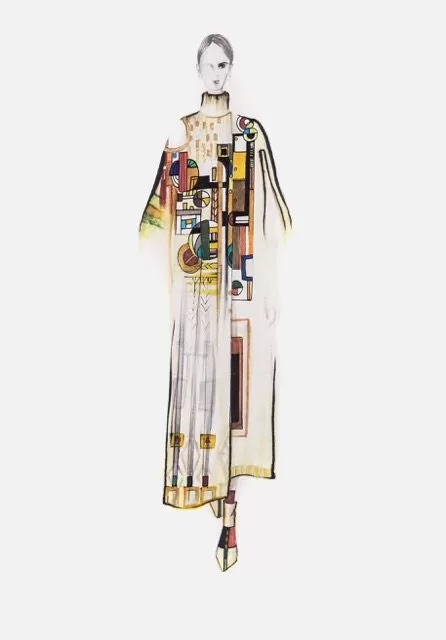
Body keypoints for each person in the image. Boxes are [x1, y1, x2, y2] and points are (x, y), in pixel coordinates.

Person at [139, 33, 292, 571]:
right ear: (198, 69)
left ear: (231, 68)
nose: (217, 74)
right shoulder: (181, 135)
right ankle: (211, 493)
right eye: (210, 65)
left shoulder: (250, 133)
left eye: (224, 65)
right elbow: (156, 220)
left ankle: (230, 517)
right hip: (196, 290)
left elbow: (273, 216)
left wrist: (271, 283)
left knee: (238, 391)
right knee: (203, 389)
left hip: (240, 285)